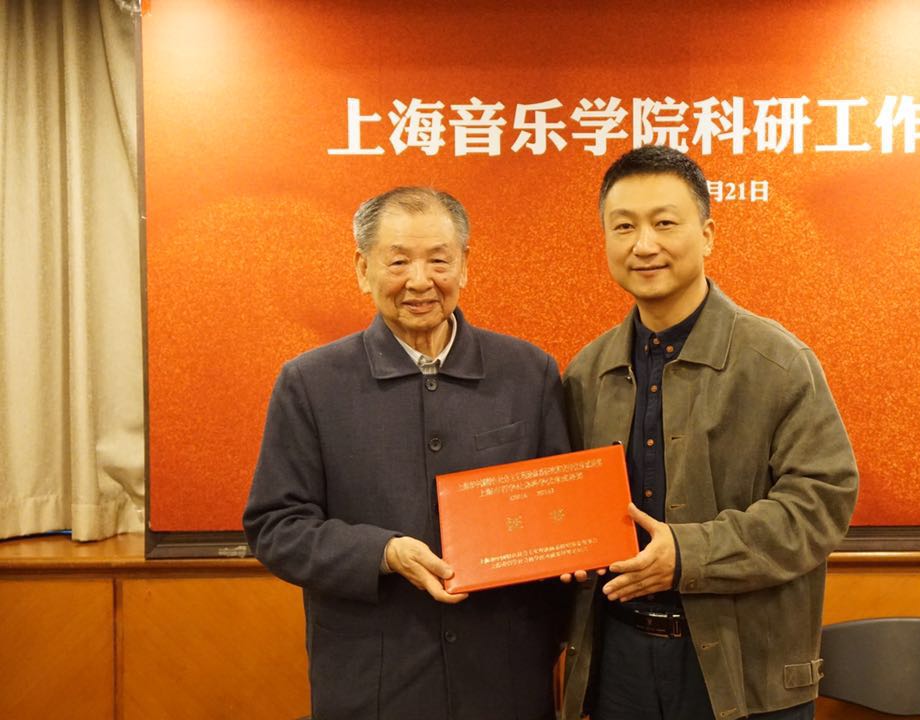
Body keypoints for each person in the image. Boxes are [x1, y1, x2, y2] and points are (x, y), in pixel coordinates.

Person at [243, 187, 570, 720]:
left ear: (464, 265)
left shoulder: (528, 372)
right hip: (371, 678)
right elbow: (276, 527)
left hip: (505, 675)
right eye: (398, 262)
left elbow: (560, 510)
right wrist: (384, 553)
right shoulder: (310, 383)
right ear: (362, 268)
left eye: (439, 260)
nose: (420, 281)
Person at [559, 146, 859, 720]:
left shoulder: (777, 362)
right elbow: (567, 504)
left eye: (664, 222)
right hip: (618, 662)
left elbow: (821, 503)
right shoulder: (586, 373)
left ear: (707, 235)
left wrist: (689, 554)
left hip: (745, 670)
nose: (644, 244)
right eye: (624, 227)